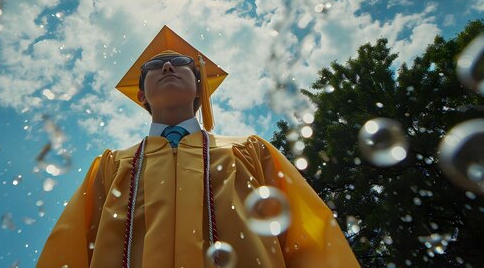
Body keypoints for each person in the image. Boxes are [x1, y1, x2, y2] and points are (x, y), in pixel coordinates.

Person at [37, 26, 360, 268]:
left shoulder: (250, 150)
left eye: (180, 62)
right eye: (153, 66)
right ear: (141, 95)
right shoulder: (110, 165)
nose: (166, 66)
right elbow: (70, 251)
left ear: (199, 86)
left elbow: (310, 241)